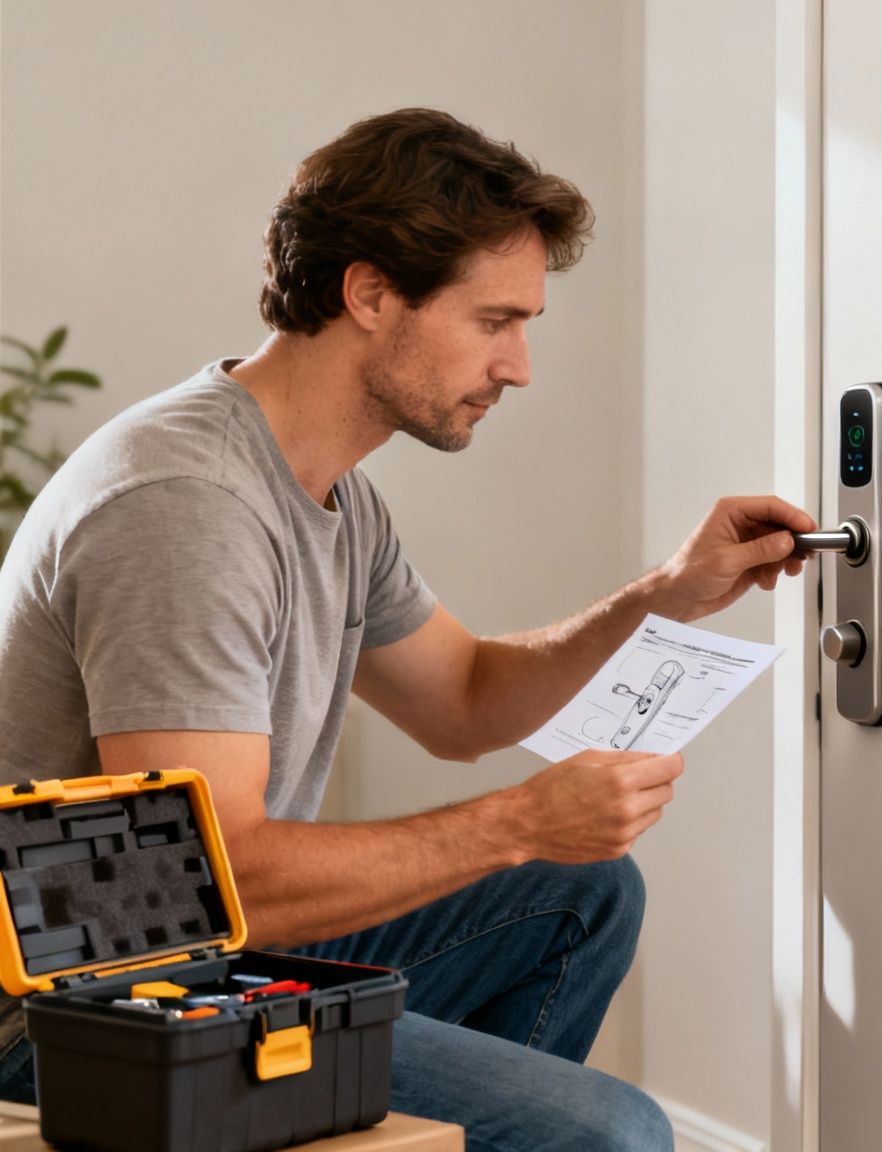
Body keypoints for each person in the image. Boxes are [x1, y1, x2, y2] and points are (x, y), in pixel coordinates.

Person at [0, 108, 816, 1148]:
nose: (518, 365)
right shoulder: (185, 506)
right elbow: (209, 880)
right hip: (65, 1014)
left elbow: (465, 701)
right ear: (371, 292)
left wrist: (660, 594)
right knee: (606, 1132)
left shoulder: (331, 491)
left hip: (195, 964)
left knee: (582, 889)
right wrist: (519, 819)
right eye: (493, 322)